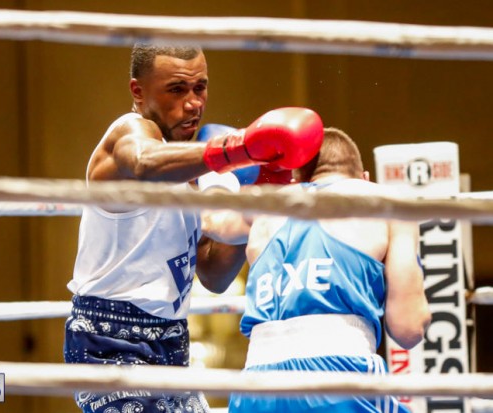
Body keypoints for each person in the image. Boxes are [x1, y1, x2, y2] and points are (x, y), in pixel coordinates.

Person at [63, 43, 324, 413]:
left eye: (200, 88)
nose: (193, 103)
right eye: (176, 89)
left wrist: (262, 191)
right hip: (111, 343)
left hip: (171, 342)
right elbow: (143, 161)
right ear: (138, 92)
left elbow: (214, 273)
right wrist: (237, 149)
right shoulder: (128, 133)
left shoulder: (192, 172)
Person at [224, 127, 431, 412]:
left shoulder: (266, 206)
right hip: (340, 372)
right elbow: (408, 329)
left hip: (255, 383)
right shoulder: (384, 201)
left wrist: (224, 162)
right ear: (364, 179)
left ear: (296, 179)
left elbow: (211, 221)